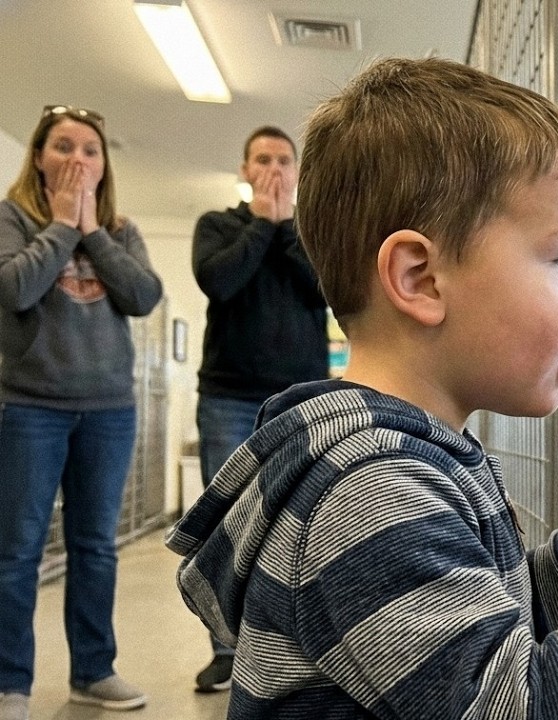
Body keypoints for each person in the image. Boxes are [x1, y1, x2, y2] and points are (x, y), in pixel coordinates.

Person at [165, 57, 558, 719]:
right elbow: (523, 703)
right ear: (420, 279)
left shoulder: (400, 457)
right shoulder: (371, 487)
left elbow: (504, 618)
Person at [0, 105, 163, 720]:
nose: (77, 159)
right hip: (30, 407)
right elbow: (14, 287)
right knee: (17, 551)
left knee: (96, 547)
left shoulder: (120, 230)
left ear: (103, 163)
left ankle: (93, 671)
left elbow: (144, 295)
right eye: (63, 147)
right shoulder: (11, 218)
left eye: (90, 149)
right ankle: (10, 683)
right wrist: (63, 227)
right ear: (39, 157)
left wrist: (92, 231)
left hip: (109, 410)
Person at [188, 125, 329, 692]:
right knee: (226, 528)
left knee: (301, 522)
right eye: (262, 159)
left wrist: (285, 228)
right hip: (228, 396)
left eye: (283, 160)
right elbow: (220, 281)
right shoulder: (218, 226)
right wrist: (261, 224)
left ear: (298, 173)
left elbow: (326, 288)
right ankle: (228, 648)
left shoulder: (313, 234)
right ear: (245, 171)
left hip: (302, 399)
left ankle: (286, 649)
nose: (273, 169)